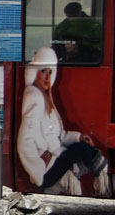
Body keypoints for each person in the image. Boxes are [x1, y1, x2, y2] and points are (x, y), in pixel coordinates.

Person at [18, 47, 109, 196]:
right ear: (35, 73)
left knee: (83, 146)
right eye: (43, 71)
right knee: (83, 151)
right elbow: (23, 142)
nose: (47, 77)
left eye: (50, 72)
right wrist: (39, 170)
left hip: (55, 160)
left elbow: (59, 135)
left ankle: (82, 173)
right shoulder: (34, 96)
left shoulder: (46, 99)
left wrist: (78, 137)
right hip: (46, 173)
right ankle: (103, 181)